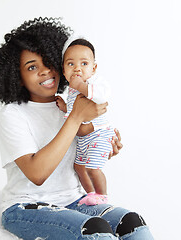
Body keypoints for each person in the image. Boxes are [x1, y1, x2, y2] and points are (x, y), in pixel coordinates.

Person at [0, 17, 154, 240]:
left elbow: (80, 148)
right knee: (94, 231)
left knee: (133, 222)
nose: (44, 71)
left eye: (48, 62)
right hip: (25, 208)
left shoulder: (68, 105)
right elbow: (37, 173)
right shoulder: (13, 114)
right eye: (32, 67)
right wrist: (75, 118)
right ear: (17, 76)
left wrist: (102, 145)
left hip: (73, 201)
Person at [56, 37, 113, 206]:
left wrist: (81, 86)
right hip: (83, 139)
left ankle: (103, 196)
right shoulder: (71, 91)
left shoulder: (95, 83)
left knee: (92, 168)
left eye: (84, 64)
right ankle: (91, 194)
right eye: (71, 64)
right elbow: (77, 113)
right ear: (64, 71)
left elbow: (100, 97)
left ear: (94, 68)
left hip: (99, 133)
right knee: (79, 167)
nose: (77, 69)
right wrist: (66, 107)